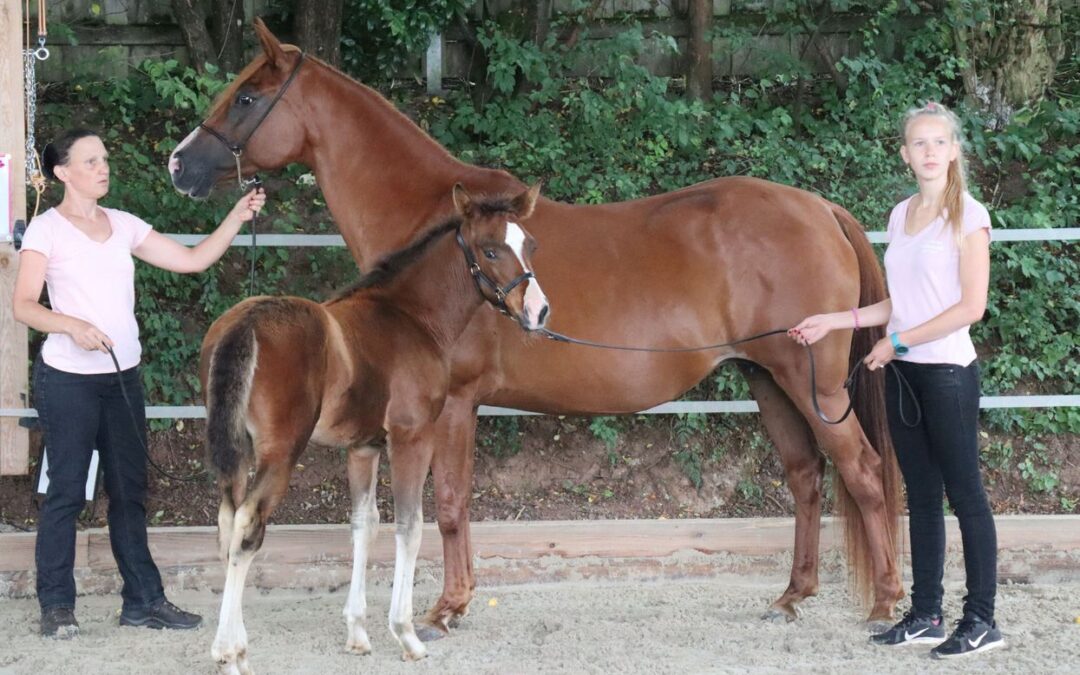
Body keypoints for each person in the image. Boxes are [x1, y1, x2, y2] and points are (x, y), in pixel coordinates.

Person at [12, 128, 266, 639]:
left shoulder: (124, 224)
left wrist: (236, 217)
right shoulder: (46, 230)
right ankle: (56, 606)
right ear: (62, 172)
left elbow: (192, 260)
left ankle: (143, 601)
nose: (102, 167)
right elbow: (23, 306)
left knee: (130, 492)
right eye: (90, 161)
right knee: (66, 493)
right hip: (67, 382)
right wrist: (71, 325)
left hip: (123, 380)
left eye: (104, 158)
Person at [789, 102, 1003, 659]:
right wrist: (834, 320)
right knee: (923, 497)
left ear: (954, 151)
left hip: (948, 373)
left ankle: (981, 619)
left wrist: (897, 342)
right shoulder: (900, 214)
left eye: (939, 142)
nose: (930, 152)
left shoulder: (970, 216)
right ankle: (926, 613)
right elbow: (898, 304)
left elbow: (971, 308)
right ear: (905, 154)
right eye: (919, 143)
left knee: (966, 495)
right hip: (903, 375)